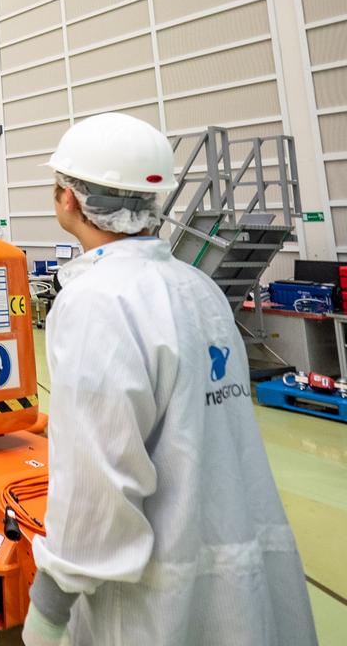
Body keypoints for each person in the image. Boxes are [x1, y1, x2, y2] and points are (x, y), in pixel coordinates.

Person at [23, 112, 316, 646]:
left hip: (153, 603)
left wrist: (48, 606)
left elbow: (99, 482)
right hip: (245, 581)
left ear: (68, 198)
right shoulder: (196, 287)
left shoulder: (96, 301)